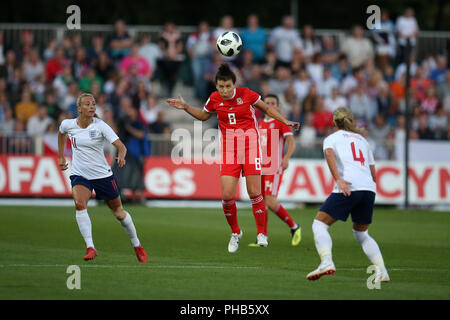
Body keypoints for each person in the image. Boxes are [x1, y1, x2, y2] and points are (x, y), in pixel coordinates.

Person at [167, 63, 300, 252]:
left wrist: (284, 121)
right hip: (230, 150)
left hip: (251, 147)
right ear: (217, 86)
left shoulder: (246, 94)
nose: (225, 90)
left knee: (254, 191)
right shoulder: (214, 98)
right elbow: (204, 116)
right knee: (227, 195)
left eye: (228, 86)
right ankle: (235, 232)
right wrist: (186, 107)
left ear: (234, 84)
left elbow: (267, 110)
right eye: (221, 87)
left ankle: (262, 233)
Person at [58, 93, 148, 262]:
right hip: (80, 174)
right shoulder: (68, 124)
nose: (92, 107)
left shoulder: (100, 126)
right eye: (87, 104)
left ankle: (137, 245)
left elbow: (121, 146)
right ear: (79, 109)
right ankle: (90, 247)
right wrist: (61, 156)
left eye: (93, 104)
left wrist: (121, 156)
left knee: (119, 214)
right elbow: (61, 133)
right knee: (79, 204)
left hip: (102, 175)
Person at [307, 107, 389, 283]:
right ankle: (382, 271)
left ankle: (326, 261)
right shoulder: (363, 140)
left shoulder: (331, 139)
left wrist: (339, 179)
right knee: (362, 234)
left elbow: (328, 153)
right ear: (351, 121)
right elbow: (373, 171)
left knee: (319, 224)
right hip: (368, 189)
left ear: (334, 122)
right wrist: (367, 187)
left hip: (349, 186)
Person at [256, 94, 301, 246]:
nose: (269, 105)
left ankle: (294, 226)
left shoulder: (280, 122)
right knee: (260, 202)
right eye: (267, 103)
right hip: (261, 167)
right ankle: (263, 236)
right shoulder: (260, 124)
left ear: (278, 106)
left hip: (274, 167)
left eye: (273, 103)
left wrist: (286, 158)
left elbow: (291, 142)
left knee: (270, 201)